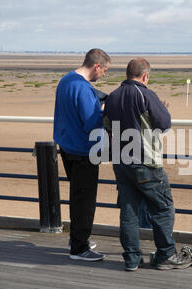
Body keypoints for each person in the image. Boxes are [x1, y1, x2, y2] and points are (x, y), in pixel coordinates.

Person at [104, 57, 192, 271]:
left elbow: (107, 126)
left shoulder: (113, 97)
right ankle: (165, 256)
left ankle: (132, 259)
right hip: (145, 161)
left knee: (129, 212)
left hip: (121, 161)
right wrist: (162, 109)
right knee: (163, 208)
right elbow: (164, 124)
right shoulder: (146, 94)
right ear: (145, 76)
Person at [53, 48, 110, 261]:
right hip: (83, 151)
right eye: (104, 70)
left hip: (66, 146)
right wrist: (103, 111)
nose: (103, 74)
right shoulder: (84, 89)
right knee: (84, 200)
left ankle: (76, 239)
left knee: (77, 196)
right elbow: (92, 124)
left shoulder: (66, 80)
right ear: (97, 66)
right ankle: (79, 248)